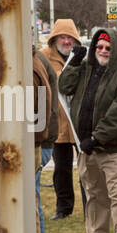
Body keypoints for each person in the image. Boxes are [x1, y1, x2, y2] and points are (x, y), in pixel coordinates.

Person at [57, 27, 117, 233]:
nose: (102, 51)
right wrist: (73, 63)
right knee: (94, 194)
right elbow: (64, 87)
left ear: (116, 51)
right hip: (86, 147)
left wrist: (95, 138)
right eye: (99, 47)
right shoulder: (85, 69)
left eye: (108, 48)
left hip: (113, 149)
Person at [39, 18, 80, 219]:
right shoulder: (44, 57)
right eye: (62, 37)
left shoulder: (81, 57)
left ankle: (92, 208)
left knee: (88, 170)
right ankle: (63, 208)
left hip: (80, 124)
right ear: (54, 39)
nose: (66, 41)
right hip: (58, 124)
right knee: (61, 169)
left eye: (70, 37)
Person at [31, 41, 60, 233]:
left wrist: (38, 140)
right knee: (33, 198)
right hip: (42, 140)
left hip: (36, 142)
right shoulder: (37, 61)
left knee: (31, 200)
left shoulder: (31, 66)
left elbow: (41, 108)